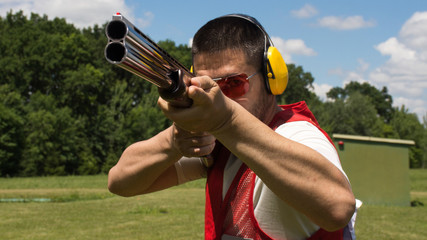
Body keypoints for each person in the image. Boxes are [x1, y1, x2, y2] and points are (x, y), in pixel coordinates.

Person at [108, 14, 356, 240]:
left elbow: (338, 207)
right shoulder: (221, 142)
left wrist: (225, 120)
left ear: (272, 76)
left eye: (234, 83)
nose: (221, 97)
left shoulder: (296, 133)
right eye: (209, 86)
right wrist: (173, 141)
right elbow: (120, 182)